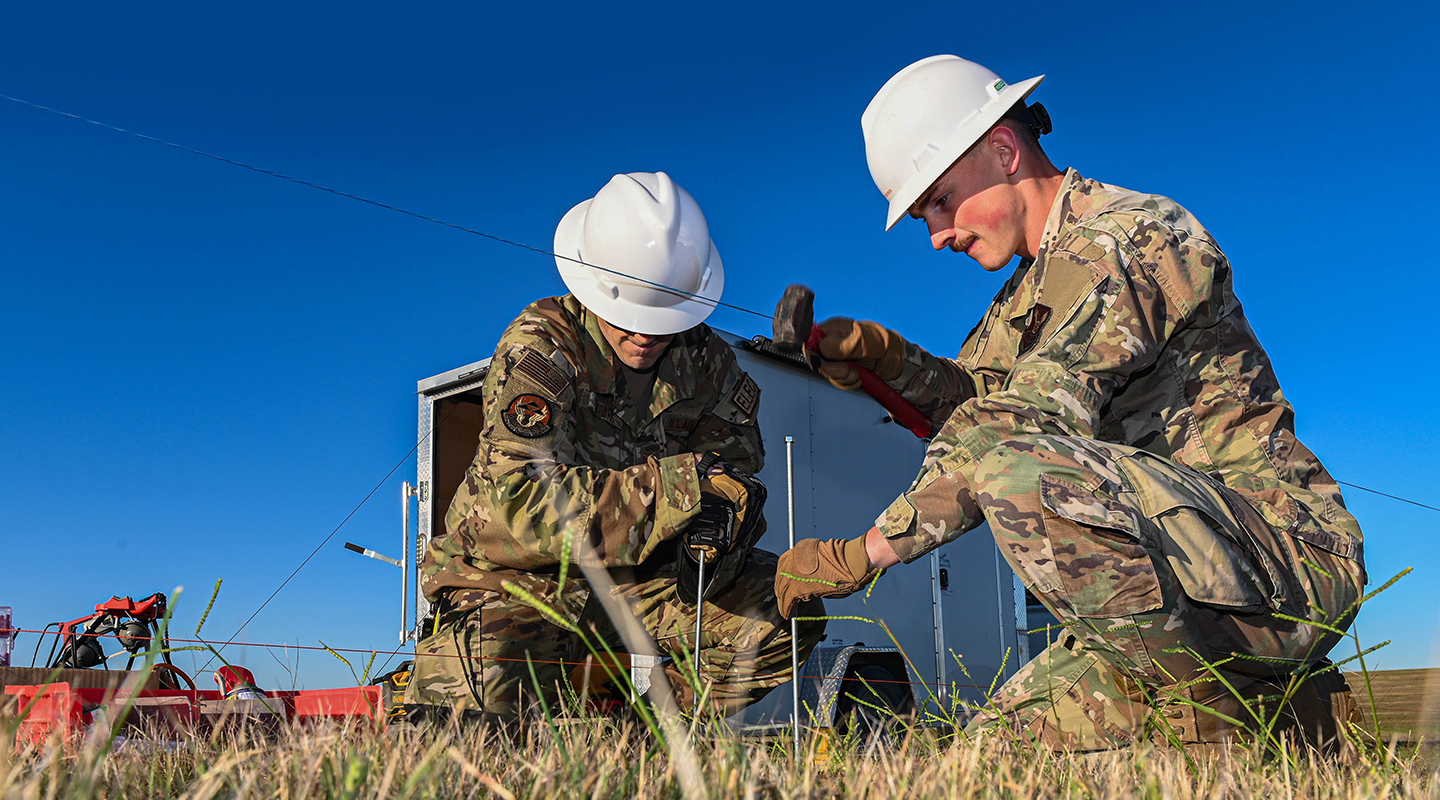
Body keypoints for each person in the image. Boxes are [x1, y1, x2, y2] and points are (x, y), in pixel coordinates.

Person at [773, 56, 1365, 750]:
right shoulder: (1028, 295)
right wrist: (884, 361)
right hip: (1170, 587)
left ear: (1002, 150)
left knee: (1021, 472)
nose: (935, 235)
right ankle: (1294, 716)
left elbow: (1016, 428)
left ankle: (1215, 739)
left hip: (1287, 563)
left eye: (939, 201)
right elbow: (975, 404)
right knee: (986, 759)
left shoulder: (1133, 238)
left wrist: (864, 553)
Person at [406, 171, 825, 719]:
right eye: (629, 315)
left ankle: (641, 741)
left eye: (663, 316)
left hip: (641, 580)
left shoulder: (709, 365)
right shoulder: (543, 344)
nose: (646, 335)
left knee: (784, 613)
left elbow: (735, 475)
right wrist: (683, 488)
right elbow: (522, 500)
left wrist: (720, 521)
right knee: (477, 728)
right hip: (518, 578)